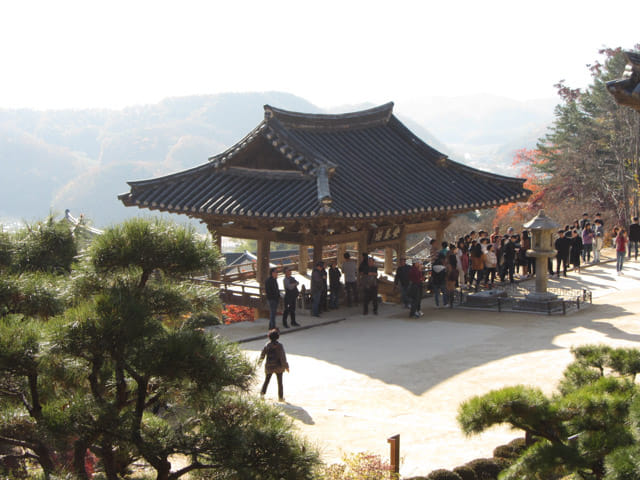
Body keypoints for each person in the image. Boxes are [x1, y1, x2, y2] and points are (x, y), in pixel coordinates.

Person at [259, 329, 289, 402]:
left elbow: (262, 355)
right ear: (277, 337)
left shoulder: (267, 345)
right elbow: (283, 357)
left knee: (267, 380)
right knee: (280, 382)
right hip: (279, 367)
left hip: (269, 366)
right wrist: (286, 366)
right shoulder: (280, 346)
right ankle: (280, 397)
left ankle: (262, 394)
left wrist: (259, 362)